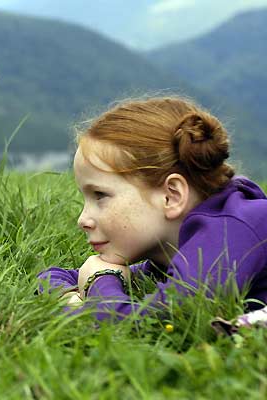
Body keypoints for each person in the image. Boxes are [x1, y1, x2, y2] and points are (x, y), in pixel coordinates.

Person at [38, 96, 267, 321]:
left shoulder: (229, 234)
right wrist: (72, 298)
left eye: (100, 195)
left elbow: (154, 323)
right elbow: (52, 277)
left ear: (171, 196)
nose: (83, 219)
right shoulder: (171, 250)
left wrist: (100, 281)